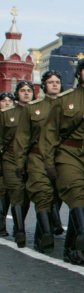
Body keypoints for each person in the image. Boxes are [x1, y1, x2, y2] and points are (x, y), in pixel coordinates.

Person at [40, 60, 84, 263]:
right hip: (69, 152)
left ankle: (70, 248)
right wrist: (49, 163)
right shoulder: (65, 99)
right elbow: (49, 133)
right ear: (78, 74)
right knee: (76, 191)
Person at [12, 71, 62, 251]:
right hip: (37, 157)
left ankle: (41, 236)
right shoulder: (32, 108)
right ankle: (47, 234)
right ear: (44, 86)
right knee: (42, 194)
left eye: (57, 82)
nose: (54, 85)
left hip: (61, 158)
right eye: (50, 82)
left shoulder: (67, 107)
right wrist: (19, 163)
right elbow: (22, 137)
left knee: (55, 197)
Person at [1, 81, 35, 247]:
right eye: (22, 91)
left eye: (29, 90)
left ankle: (18, 224)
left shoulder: (38, 112)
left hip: (31, 158)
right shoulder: (7, 114)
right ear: (17, 93)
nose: (26, 93)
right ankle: (20, 230)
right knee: (16, 190)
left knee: (27, 195)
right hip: (10, 158)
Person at [0, 91, 14, 238]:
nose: (7, 103)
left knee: (8, 191)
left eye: (10, 100)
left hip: (10, 158)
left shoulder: (16, 118)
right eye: (4, 100)